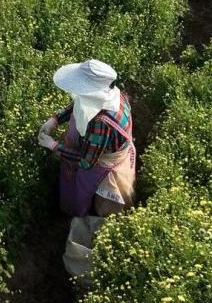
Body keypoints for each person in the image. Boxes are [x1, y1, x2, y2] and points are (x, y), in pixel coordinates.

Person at [37, 59, 137, 219]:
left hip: (101, 162)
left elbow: (86, 161)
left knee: (84, 190)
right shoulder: (110, 95)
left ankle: (77, 215)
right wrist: (55, 120)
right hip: (97, 148)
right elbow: (79, 103)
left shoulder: (101, 123)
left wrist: (54, 146)